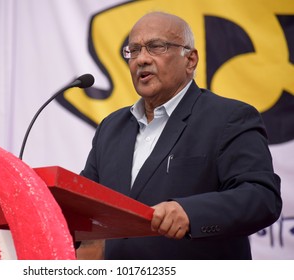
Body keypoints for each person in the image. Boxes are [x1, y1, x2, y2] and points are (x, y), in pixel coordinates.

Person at [80, 11, 282, 259]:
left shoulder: (229, 117)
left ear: (190, 60)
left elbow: (261, 198)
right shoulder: (111, 127)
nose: (141, 59)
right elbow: (85, 203)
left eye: (156, 47)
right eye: (133, 50)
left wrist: (190, 212)